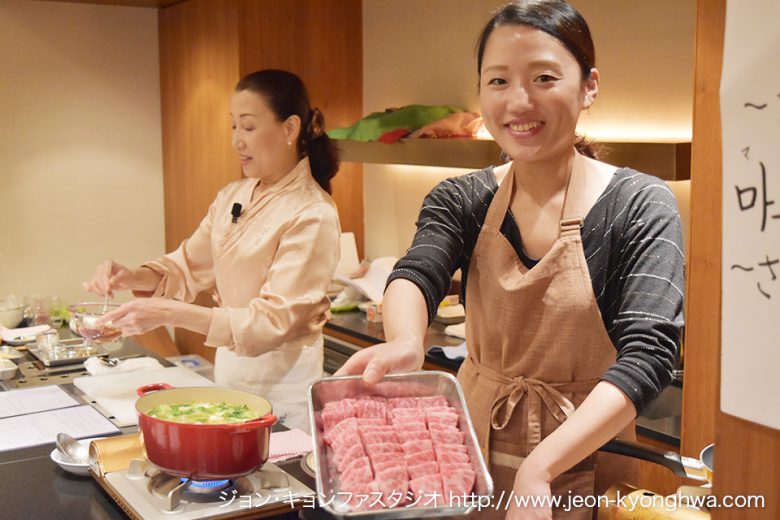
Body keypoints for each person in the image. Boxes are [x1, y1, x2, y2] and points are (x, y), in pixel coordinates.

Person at [337, 1, 684, 518]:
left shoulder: (640, 203)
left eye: (543, 77)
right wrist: (406, 341)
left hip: (589, 453)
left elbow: (650, 354)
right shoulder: (461, 198)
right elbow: (417, 272)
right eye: (498, 81)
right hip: (471, 455)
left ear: (589, 86)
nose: (518, 102)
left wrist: (540, 468)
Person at [84, 69, 341, 432]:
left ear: (290, 128)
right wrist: (131, 275)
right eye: (233, 126)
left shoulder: (312, 213)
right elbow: (186, 266)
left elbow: (272, 322)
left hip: (284, 387)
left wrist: (171, 313)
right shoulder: (232, 196)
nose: (237, 140)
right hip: (230, 375)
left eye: (248, 127)